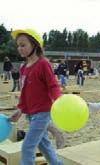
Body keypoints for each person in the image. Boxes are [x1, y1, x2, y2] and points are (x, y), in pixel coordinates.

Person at [8, 29, 63, 165]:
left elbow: (53, 86)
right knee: (44, 146)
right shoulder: (23, 67)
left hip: (43, 113)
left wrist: (59, 101)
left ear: (34, 45)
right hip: (30, 114)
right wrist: (20, 110)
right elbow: (25, 92)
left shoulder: (43, 64)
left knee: (27, 147)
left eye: (23, 45)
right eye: (18, 45)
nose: (19, 48)